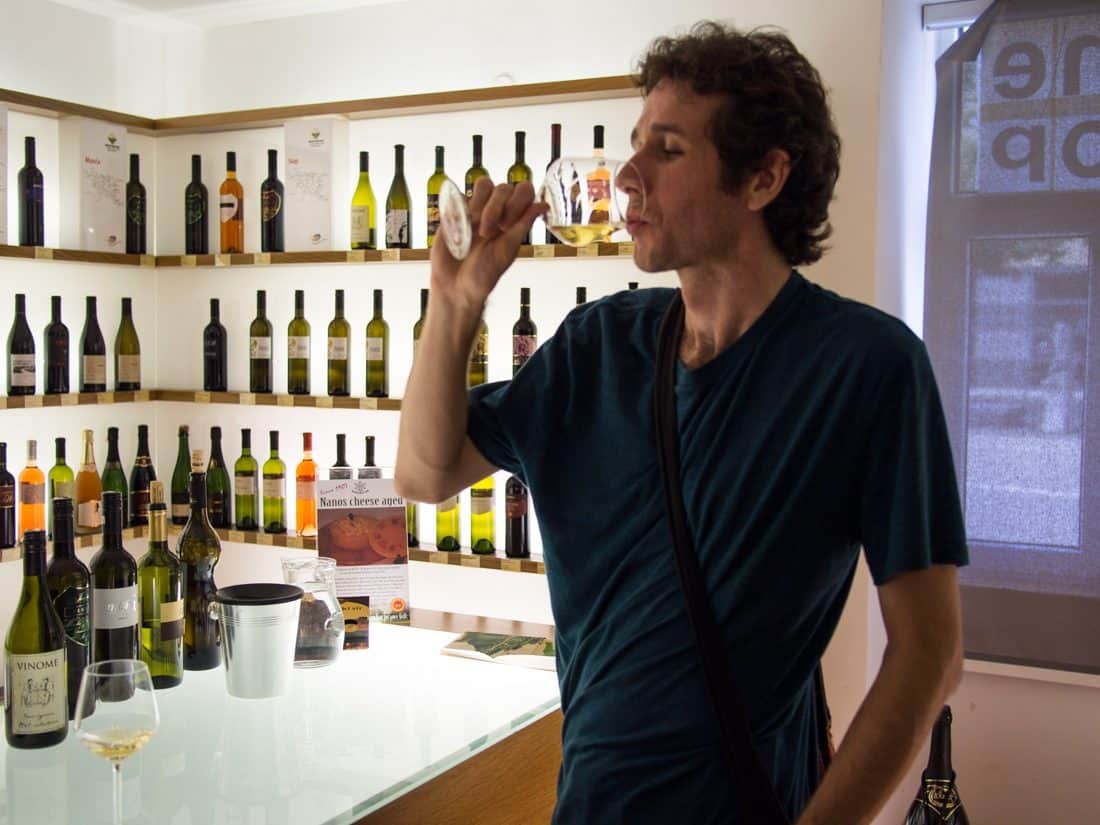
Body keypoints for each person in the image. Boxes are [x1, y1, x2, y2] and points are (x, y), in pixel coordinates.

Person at [395, 21, 968, 825]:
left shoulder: (867, 368)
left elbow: (931, 652)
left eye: (666, 149)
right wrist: (454, 304)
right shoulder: (597, 348)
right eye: (634, 145)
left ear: (764, 178)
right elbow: (423, 473)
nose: (627, 177)